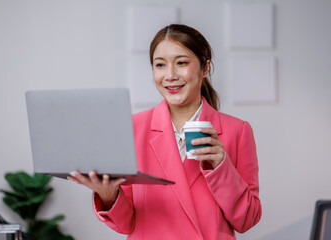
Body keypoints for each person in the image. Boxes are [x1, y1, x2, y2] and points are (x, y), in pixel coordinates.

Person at [68, 24, 262, 239]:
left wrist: (220, 166)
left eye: (181, 63)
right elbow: (126, 224)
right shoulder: (132, 129)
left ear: (205, 68)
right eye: (160, 65)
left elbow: (247, 220)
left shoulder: (237, 131)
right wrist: (108, 196)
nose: (170, 75)